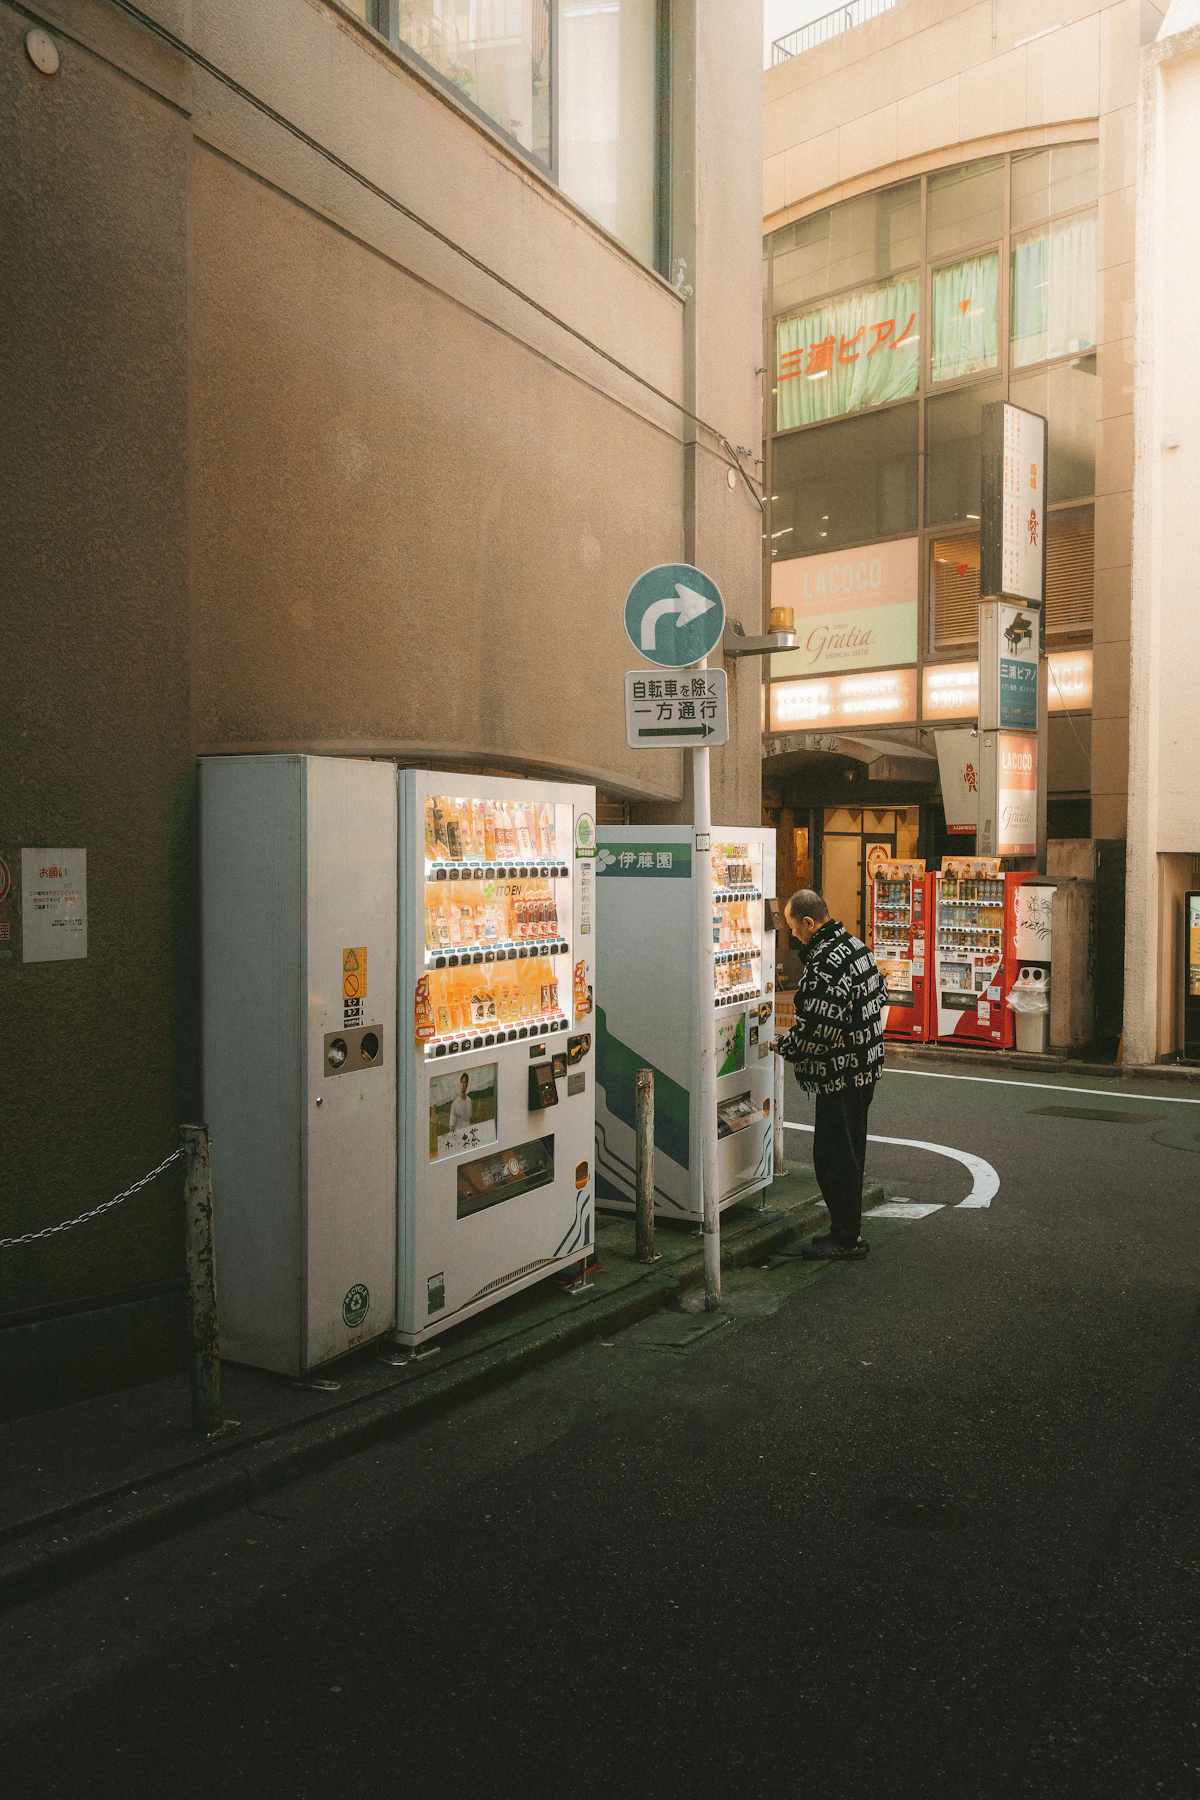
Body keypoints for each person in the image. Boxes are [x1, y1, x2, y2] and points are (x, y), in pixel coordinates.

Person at [772, 889, 884, 1261]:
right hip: (866, 1066)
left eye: (794, 929)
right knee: (851, 1152)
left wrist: (783, 1045)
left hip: (841, 1074)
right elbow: (879, 995)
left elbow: (819, 1029)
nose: (794, 937)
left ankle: (845, 1238)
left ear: (808, 923)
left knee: (834, 1157)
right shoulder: (855, 946)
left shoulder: (824, 962)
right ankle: (849, 1232)